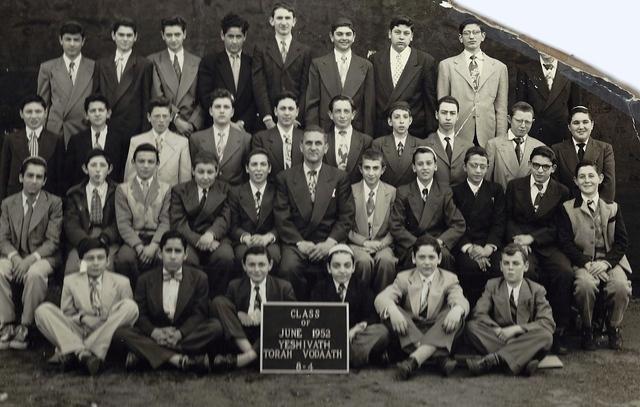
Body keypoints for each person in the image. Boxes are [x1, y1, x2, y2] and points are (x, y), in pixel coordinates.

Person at [114, 230, 224, 372]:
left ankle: (147, 355)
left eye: (177, 251)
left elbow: (199, 313)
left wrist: (179, 334)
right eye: (168, 251)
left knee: (215, 327)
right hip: (155, 333)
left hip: (184, 333)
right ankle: (177, 359)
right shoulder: (145, 279)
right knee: (121, 333)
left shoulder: (199, 278)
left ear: (185, 255)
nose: (173, 256)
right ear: (160, 253)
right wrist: (154, 332)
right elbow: (140, 314)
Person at [34, 238, 138, 375]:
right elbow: (68, 314)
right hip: (80, 330)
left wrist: (105, 320)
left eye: (100, 258)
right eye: (90, 259)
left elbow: (124, 317)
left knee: (131, 307)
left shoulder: (121, 282)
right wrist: (83, 318)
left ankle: (78, 351)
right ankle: (84, 355)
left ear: (107, 261)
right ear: (80, 262)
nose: (95, 263)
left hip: (107, 331)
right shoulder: (70, 281)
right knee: (43, 310)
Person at [505, 145, 573, 354]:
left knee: (564, 273)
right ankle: (529, 329)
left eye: (545, 167)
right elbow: (507, 218)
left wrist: (533, 238)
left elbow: (560, 229)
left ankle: (558, 331)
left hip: (548, 245)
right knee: (528, 272)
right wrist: (519, 240)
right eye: (536, 165)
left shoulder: (562, 191)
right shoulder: (515, 186)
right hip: (520, 244)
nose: (540, 170)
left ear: (552, 168)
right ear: (530, 165)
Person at [274, 126, 355, 300]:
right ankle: (294, 314)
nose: (313, 147)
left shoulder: (339, 177)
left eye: (318, 143)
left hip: (328, 239)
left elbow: (346, 216)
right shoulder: (285, 177)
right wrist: (300, 243)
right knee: (288, 268)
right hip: (297, 242)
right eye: (308, 143)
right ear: (301, 147)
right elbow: (282, 217)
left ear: (326, 148)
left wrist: (330, 243)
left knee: (340, 266)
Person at [558, 161, 631, 350]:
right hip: (583, 262)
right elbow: (565, 243)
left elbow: (622, 242)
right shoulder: (567, 208)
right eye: (582, 177)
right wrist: (586, 263)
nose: (587, 180)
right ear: (575, 181)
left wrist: (606, 263)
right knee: (584, 285)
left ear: (600, 179)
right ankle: (588, 328)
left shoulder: (612, 207)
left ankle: (613, 326)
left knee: (621, 286)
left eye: (591, 176)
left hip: (609, 261)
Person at [374, 236, 469, 380]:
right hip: (411, 329)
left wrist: (457, 309)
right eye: (422, 257)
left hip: (437, 327)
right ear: (413, 258)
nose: (427, 262)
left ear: (439, 258)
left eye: (431, 257)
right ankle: (437, 356)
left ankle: (413, 361)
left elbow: (459, 299)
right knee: (390, 311)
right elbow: (381, 298)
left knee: (455, 314)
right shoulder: (403, 278)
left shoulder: (449, 278)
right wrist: (393, 311)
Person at [0, 157, 62, 350]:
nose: (34, 180)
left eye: (39, 177)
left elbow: (52, 242)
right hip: (15, 255)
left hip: (43, 257)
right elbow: (2, 238)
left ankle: (26, 326)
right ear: (21, 177)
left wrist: (28, 261)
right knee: (0, 269)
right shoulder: (8, 203)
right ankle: (7, 324)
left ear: (44, 181)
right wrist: (16, 258)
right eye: (30, 176)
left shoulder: (54, 203)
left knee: (35, 274)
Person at [465, 243, 555, 377]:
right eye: (506, 263)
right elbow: (479, 313)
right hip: (499, 336)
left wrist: (517, 329)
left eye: (516, 263)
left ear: (525, 266)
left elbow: (547, 322)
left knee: (546, 336)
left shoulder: (537, 290)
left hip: (526, 336)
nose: (510, 268)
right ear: (501, 266)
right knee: (471, 327)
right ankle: (522, 360)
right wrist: (498, 330)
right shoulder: (492, 285)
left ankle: (495, 360)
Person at [209, 246, 296, 370]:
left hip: (268, 337)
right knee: (219, 301)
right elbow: (228, 317)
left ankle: (246, 359)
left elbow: (293, 318)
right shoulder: (234, 286)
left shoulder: (284, 287)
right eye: (251, 265)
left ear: (270, 265)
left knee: (282, 315)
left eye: (261, 265)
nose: (256, 270)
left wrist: (268, 315)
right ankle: (253, 355)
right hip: (242, 336)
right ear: (244, 266)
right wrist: (239, 313)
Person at [310, 244, 390, 367]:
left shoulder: (362, 287)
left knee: (382, 331)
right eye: (336, 266)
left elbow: (371, 317)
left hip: (354, 337)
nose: (342, 270)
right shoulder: (320, 288)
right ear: (329, 268)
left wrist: (357, 328)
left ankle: (341, 356)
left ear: (353, 268)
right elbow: (315, 318)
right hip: (330, 337)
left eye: (347, 266)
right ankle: (348, 356)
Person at [389, 146, 466, 271]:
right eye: (420, 164)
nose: (425, 167)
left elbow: (458, 224)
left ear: (435, 166)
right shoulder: (403, 191)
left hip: (437, 244)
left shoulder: (444, 191)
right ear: (414, 168)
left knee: (445, 256)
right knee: (413, 259)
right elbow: (396, 226)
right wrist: (417, 243)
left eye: (429, 163)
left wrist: (441, 241)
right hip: (412, 245)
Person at [170, 151, 235, 297]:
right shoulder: (180, 190)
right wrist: (199, 241)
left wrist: (211, 235)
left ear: (217, 171)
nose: (205, 177)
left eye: (210, 172)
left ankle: (217, 297)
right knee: (186, 260)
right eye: (200, 172)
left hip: (217, 237)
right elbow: (178, 223)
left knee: (225, 257)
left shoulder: (225, 189)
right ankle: (193, 300)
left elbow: (225, 217)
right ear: (193, 171)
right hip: (189, 238)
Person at [436, 18, 508, 147]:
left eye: (475, 32)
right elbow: (442, 106)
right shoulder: (447, 66)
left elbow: (501, 109)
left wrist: (501, 140)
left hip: (488, 134)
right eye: (467, 33)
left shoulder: (499, 67)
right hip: (457, 133)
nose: (471, 36)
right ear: (460, 38)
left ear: (483, 36)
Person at [452, 146, 505, 307]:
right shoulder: (455, 192)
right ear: (464, 167)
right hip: (466, 244)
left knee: (498, 267)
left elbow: (499, 222)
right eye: (473, 165)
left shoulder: (496, 190)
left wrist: (489, 248)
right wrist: (470, 249)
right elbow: (455, 223)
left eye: (482, 166)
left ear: (488, 168)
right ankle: (470, 311)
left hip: (489, 244)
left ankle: (493, 311)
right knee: (470, 267)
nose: (478, 170)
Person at [370, 15, 437, 137]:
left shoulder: (425, 61)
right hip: (382, 132)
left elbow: (430, 103)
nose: (401, 37)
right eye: (397, 32)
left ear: (412, 37)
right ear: (390, 34)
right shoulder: (375, 60)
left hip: (414, 131)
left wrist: (430, 136)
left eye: (406, 33)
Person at [305, 17, 374, 135]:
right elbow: (312, 104)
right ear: (332, 37)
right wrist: (313, 134)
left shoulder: (366, 66)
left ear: (354, 37)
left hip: (356, 132)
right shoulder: (318, 65)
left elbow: (369, 107)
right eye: (339, 34)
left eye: (348, 34)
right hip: (325, 131)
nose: (344, 38)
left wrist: (367, 138)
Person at [114, 143, 171, 286]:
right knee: (124, 258)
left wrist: (154, 245)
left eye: (151, 162)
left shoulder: (166, 188)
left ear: (157, 164)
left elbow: (165, 221)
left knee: (162, 257)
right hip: (134, 238)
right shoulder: (123, 189)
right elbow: (123, 223)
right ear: (133, 163)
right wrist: (138, 246)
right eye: (141, 161)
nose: (146, 166)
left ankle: (157, 296)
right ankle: (132, 293)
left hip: (157, 238)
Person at [252, 2, 312, 130]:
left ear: (294, 21)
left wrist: (297, 117)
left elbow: (305, 87)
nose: (283, 22)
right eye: (279, 18)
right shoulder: (261, 50)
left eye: (287, 18)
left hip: (295, 119)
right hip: (269, 120)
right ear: (271, 21)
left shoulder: (304, 51)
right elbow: (259, 85)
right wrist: (267, 117)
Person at [93, 18, 152, 141]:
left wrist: (144, 135)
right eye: (121, 35)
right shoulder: (101, 64)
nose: (125, 39)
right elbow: (96, 97)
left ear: (135, 37)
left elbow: (146, 102)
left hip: (132, 131)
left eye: (129, 35)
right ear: (113, 36)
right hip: (106, 129)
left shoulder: (144, 65)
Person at [37, 21, 94, 146]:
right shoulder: (48, 68)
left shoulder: (94, 67)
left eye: (76, 40)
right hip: (56, 131)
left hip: (83, 129)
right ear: (60, 40)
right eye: (68, 39)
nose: (72, 44)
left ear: (83, 41)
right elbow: (41, 106)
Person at [63, 149, 120, 275]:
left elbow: (119, 221)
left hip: (107, 241)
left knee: (106, 267)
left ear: (109, 169)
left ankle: (103, 294)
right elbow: (70, 223)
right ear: (85, 168)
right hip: (83, 239)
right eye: (93, 165)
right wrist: (84, 241)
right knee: (73, 268)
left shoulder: (118, 192)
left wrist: (105, 237)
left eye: (103, 165)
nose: (98, 170)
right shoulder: (74, 193)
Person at [348, 149, 397, 293]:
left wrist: (380, 244)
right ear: (360, 169)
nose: (371, 173)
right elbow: (345, 225)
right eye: (367, 168)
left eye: (375, 168)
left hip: (383, 243)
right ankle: (362, 303)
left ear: (383, 170)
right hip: (357, 244)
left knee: (386, 262)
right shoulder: (351, 191)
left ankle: (382, 302)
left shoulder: (392, 192)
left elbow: (395, 226)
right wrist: (365, 242)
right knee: (363, 262)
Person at [197, 13, 257, 132]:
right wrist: (226, 121)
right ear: (222, 35)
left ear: (245, 36)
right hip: (216, 126)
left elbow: (256, 99)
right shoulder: (210, 62)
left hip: (245, 129)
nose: (234, 41)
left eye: (238, 37)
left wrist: (242, 122)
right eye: (230, 36)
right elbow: (205, 97)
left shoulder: (252, 63)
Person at [0, 95, 64, 201]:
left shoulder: (56, 140)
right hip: (16, 199)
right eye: (29, 112)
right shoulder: (10, 139)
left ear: (45, 113)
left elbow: (60, 177)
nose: (33, 116)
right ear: (21, 114)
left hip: (46, 200)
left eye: (38, 111)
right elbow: (3, 175)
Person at [148, 16, 204, 137]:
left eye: (177, 34)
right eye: (169, 35)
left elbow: (203, 98)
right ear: (162, 35)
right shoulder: (154, 61)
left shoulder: (197, 62)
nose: (173, 39)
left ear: (184, 34)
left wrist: (193, 124)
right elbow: (157, 95)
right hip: (166, 125)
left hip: (192, 129)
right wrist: (176, 119)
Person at [515, 51, 582, 146]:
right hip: (535, 134)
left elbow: (576, 108)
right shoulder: (526, 69)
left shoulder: (571, 70)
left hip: (561, 134)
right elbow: (521, 107)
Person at [228, 149, 280, 266]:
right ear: (247, 168)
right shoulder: (236, 192)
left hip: (269, 241)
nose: (258, 169)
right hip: (245, 241)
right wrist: (245, 237)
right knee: (242, 256)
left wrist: (268, 237)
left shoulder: (277, 192)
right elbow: (233, 225)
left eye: (263, 164)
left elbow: (281, 223)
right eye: (254, 164)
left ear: (269, 168)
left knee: (274, 256)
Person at [552, 106, 615, 202]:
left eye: (585, 122)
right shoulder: (557, 149)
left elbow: (609, 184)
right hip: (566, 209)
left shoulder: (605, 149)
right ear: (569, 127)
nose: (581, 127)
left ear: (592, 125)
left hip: (597, 210)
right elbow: (555, 185)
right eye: (576, 123)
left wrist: (599, 211)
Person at [64, 94, 128, 189]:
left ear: (108, 113)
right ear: (86, 115)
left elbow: (123, 170)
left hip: (113, 193)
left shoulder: (120, 139)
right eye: (93, 111)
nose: (97, 114)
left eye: (101, 110)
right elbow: (69, 173)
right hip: (83, 194)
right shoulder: (76, 140)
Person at [190, 88, 251, 186]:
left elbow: (246, 173)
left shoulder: (245, 139)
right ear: (210, 111)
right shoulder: (196, 139)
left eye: (226, 107)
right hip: (207, 194)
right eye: (217, 107)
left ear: (232, 112)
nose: (222, 111)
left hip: (234, 196)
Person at [124, 98, 192, 186]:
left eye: (165, 116)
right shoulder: (136, 141)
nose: (161, 120)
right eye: (157, 116)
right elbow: (129, 177)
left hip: (171, 197)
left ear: (171, 117)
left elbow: (185, 181)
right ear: (149, 117)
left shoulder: (182, 143)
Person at [485, 101, 545, 190]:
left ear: (533, 122)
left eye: (527, 122)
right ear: (509, 119)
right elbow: (486, 180)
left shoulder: (540, 147)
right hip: (502, 200)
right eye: (519, 121)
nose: (523, 126)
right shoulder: (493, 145)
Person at [371, 101, 427, 187]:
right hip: (387, 195)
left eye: (405, 117)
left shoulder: (420, 144)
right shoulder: (379, 144)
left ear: (410, 120)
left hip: (410, 196)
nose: (401, 121)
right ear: (390, 121)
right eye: (397, 117)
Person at [251, 92, 304, 179]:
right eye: (283, 108)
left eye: (291, 109)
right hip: (272, 190)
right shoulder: (261, 138)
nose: (287, 113)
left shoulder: (304, 138)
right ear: (275, 111)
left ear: (297, 112)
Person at [425, 96, 473, 187]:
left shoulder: (468, 147)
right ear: (436, 115)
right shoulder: (425, 144)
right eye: (444, 113)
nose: (448, 117)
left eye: (452, 113)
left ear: (457, 116)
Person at [324, 95, 373, 184]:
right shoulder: (323, 140)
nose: (342, 116)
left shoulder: (366, 141)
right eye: (338, 111)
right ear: (331, 115)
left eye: (346, 111)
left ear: (353, 115)